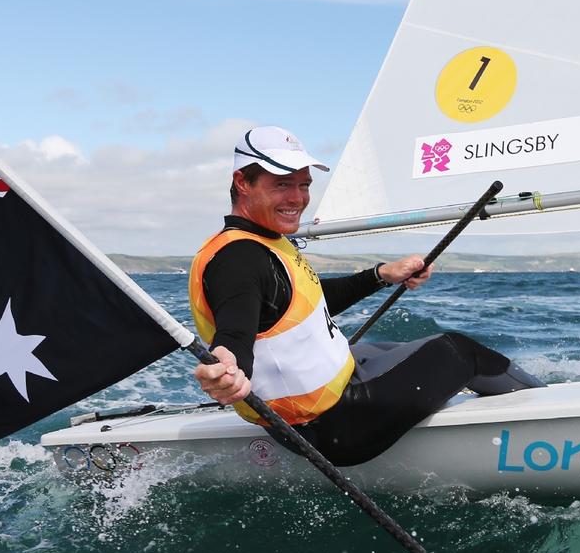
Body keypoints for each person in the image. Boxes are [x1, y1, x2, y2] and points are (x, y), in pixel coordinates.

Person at [189, 126, 543, 466]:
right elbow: (235, 333)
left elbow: (303, 302)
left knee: (383, 349)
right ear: (242, 182)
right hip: (333, 427)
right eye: (282, 185)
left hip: (333, 392)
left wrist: (380, 275)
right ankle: (549, 409)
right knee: (458, 350)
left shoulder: (262, 241)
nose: (297, 198)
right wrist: (225, 368)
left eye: (304, 185)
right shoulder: (238, 259)